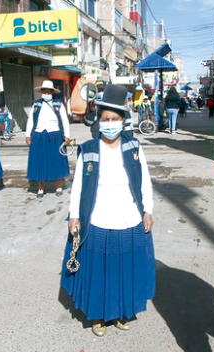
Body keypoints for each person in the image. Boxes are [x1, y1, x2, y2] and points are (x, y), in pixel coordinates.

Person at [61, 84, 155, 337]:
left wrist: (148, 210)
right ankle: (99, 316)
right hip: (99, 219)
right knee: (99, 271)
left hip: (129, 218)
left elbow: (145, 180)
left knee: (124, 269)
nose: (110, 123)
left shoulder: (134, 147)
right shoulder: (89, 149)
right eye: (105, 119)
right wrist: (74, 216)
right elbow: (78, 185)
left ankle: (121, 312)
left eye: (114, 119)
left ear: (123, 121)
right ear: (99, 121)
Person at [26, 80, 71, 198]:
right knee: (39, 161)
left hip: (55, 135)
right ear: (41, 92)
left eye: (48, 92)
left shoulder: (58, 104)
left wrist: (67, 136)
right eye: (44, 91)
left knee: (57, 161)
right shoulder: (36, 104)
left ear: (52, 92)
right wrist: (27, 135)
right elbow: (30, 120)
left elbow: (65, 120)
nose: (46, 93)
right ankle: (41, 188)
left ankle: (59, 186)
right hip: (39, 135)